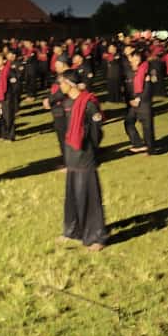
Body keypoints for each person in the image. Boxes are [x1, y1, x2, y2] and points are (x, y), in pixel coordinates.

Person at [57, 72, 106, 250]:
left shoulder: (89, 104)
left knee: (89, 195)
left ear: (70, 84)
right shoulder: (67, 103)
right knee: (72, 195)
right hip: (72, 156)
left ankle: (96, 237)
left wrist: (89, 149)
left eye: (62, 82)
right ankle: (72, 230)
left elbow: (96, 132)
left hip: (85, 155)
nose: (60, 85)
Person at [124, 52, 155, 154]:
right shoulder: (128, 72)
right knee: (128, 122)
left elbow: (148, 89)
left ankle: (150, 148)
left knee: (147, 127)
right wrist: (130, 100)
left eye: (137, 59)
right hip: (132, 104)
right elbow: (127, 88)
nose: (134, 61)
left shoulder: (146, 71)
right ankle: (138, 144)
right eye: (133, 59)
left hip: (144, 103)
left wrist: (138, 99)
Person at [0, 53, 19, 141]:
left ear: (4, 61)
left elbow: (15, 86)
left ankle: (11, 136)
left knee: (8, 117)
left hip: (7, 98)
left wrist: (12, 96)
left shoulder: (9, 71)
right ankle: (2, 135)